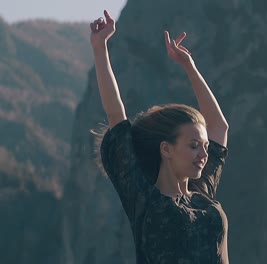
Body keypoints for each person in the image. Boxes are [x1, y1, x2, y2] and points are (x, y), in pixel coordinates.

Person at [90, 10, 230, 263]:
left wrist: (189, 66)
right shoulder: (144, 199)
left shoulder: (202, 192)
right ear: (166, 149)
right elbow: (116, 115)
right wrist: (100, 48)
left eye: (205, 146)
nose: (204, 154)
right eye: (194, 145)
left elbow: (219, 127)